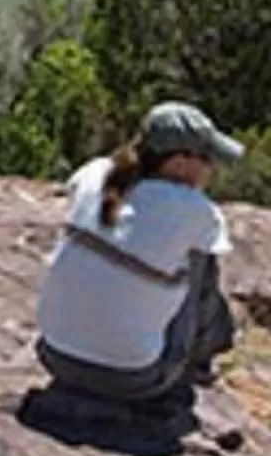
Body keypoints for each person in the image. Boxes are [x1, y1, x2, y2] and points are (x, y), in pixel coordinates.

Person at [32, 100, 246, 405]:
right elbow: (203, 298)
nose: (211, 169)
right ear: (179, 162)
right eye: (207, 159)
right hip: (131, 379)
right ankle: (197, 363)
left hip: (54, 355)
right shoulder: (196, 211)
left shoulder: (96, 173)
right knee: (201, 266)